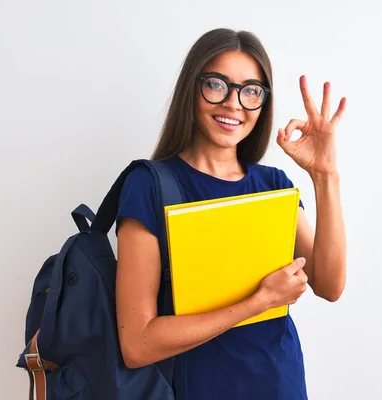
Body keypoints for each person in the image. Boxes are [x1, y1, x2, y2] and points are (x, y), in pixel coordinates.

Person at [115, 28, 347, 399]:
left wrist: (325, 175)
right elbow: (138, 344)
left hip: (279, 385)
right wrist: (259, 302)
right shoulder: (150, 185)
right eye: (217, 85)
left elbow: (330, 286)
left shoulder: (273, 185)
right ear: (192, 89)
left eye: (251, 90)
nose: (234, 104)